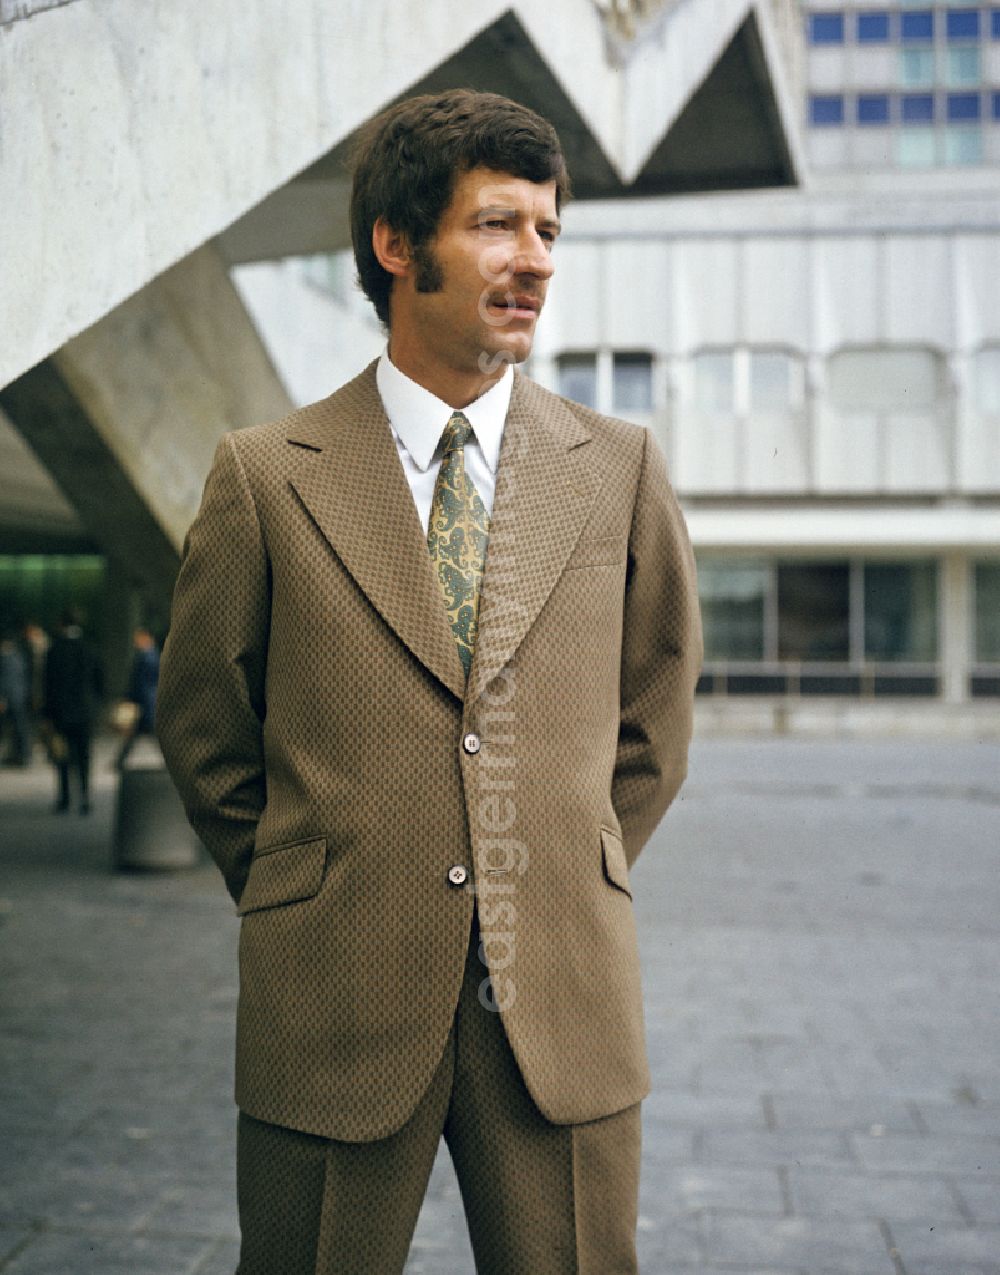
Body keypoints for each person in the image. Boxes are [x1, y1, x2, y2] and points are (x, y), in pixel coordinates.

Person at [157, 89, 702, 1275]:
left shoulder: (619, 470)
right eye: (499, 226)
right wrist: (306, 880)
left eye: (550, 232)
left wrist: (557, 864)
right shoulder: (263, 478)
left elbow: (654, 719)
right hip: (334, 994)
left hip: (560, 999)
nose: (535, 261)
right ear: (397, 246)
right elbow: (204, 728)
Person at [44, 608, 103, 814]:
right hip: (85, 711)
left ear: (62, 623)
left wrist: (48, 713)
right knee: (84, 755)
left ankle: (65, 797)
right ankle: (85, 796)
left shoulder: (54, 649)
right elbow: (99, 681)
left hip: (62, 712)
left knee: (62, 756)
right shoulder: (89, 648)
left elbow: (49, 685)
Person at [115, 626, 160, 768]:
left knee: (147, 734)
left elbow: (141, 684)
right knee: (142, 734)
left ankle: (119, 761)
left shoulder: (148, 657)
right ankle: (119, 761)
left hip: (146, 702)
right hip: (147, 702)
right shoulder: (150, 656)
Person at [0, 628, 31, 766]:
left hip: (11, 696)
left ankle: (19, 754)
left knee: (16, 727)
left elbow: (5, 680)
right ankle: (22, 754)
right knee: (20, 727)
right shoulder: (19, 656)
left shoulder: (6, 658)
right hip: (20, 695)